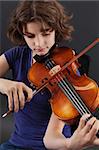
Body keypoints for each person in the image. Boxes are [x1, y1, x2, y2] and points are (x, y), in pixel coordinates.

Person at [0, 0, 99, 150]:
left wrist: (69, 144)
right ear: (22, 33)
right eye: (30, 36)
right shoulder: (17, 55)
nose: (39, 43)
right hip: (17, 145)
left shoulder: (68, 67)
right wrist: (5, 84)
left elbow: (51, 139)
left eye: (46, 33)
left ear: (56, 29)